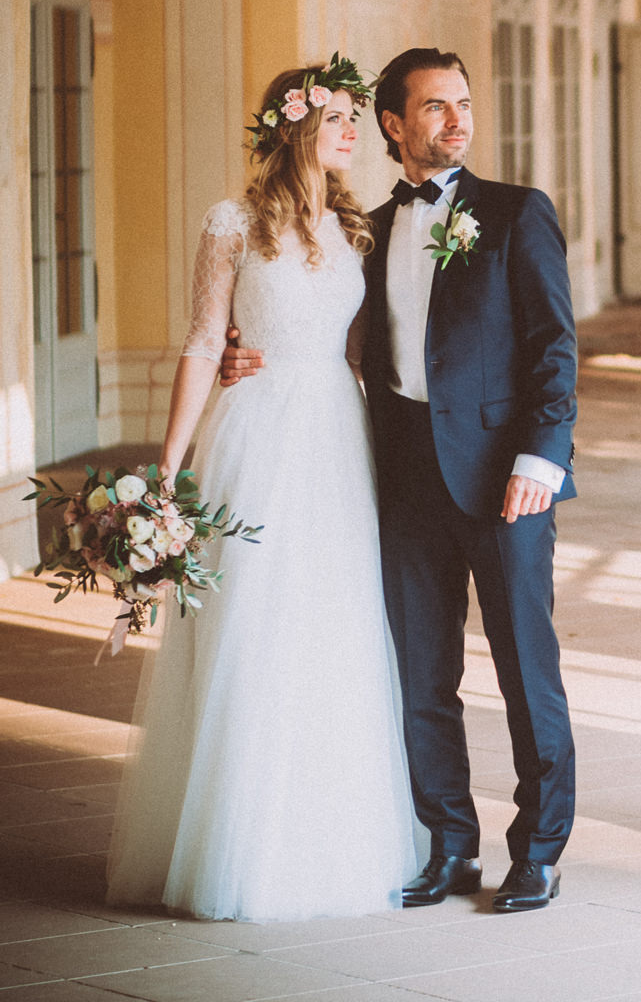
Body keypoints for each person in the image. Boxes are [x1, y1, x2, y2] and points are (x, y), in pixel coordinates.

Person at [222, 47, 578, 913]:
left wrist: (543, 456)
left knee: (527, 669)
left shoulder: (516, 213)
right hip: (403, 474)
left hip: (506, 477)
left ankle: (537, 849)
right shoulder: (366, 231)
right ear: (393, 124)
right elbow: (327, 326)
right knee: (421, 672)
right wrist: (244, 355)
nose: (456, 120)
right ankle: (448, 843)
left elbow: (554, 348)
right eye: (434, 108)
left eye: (463, 103)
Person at [106, 61, 419, 922]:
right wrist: (166, 468)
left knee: (333, 622)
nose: (355, 132)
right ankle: (233, 842)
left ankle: (327, 838)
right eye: (339, 118)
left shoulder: (360, 227)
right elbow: (207, 341)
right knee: (253, 617)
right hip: (256, 433)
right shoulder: (233, 223)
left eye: (360, 119)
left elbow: (365, 354)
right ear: (294, 125)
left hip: (336, 434)